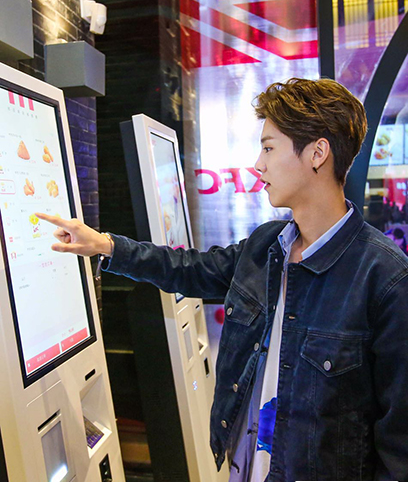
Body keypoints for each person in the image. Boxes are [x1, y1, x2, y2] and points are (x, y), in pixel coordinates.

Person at [36, 78, 408, 482]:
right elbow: (190, 269)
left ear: (317, 154)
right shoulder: (268, 246)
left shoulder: (385, 278)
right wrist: (105, 245)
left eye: (269, 148)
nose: (259, 164)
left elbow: (399, 447)